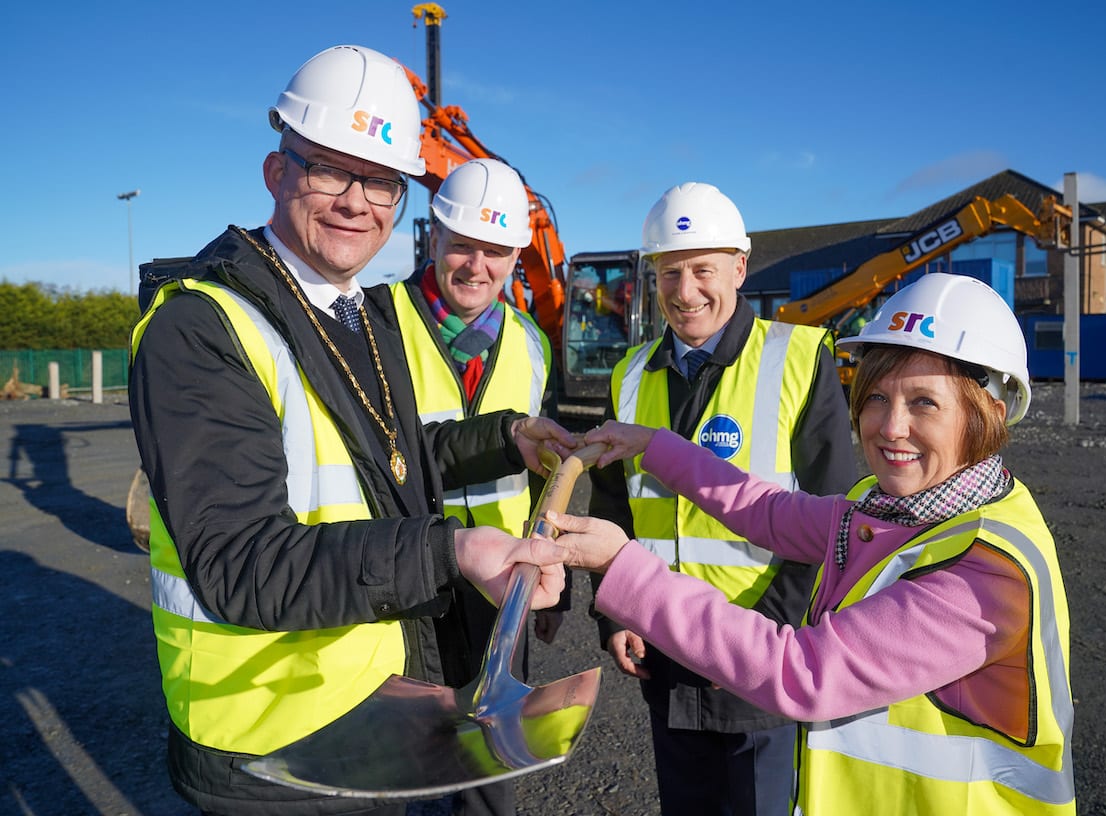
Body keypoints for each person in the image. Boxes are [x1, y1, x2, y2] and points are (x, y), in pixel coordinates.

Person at [128, 45, 573, 816]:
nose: (355, 201)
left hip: (370, 704)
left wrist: (506, 437)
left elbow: (392, 462)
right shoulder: (201, 326)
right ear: (276, 172)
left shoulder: (356, 316)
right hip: (270, 740)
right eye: (329, 169)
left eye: (379, 182)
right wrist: (453, 549)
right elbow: (241, 560)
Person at [549, 272, 1076, 815]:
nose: (891, 427)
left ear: (987, 412)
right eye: (875, 396)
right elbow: (769, 512)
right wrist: (654, 444)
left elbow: (799, 673)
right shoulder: (900, 509)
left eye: (924, 402)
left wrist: (622, 565)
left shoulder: (983, 572)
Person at [585, 182, 857, 815]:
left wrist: (760, 635)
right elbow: (612, 509)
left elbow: (832, 515)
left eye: (703, 270)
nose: (686, 293)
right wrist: (614, 615)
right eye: (670, 273)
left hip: (760, 655)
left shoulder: (798, 359)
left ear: (740, 266)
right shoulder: (628, 377)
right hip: (663, 648)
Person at [390, 158, 563, 816]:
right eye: (462, 244)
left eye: (494, 250)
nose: (476, 265)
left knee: (493, 769)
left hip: (503, 593)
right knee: (412, 766)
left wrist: (553, 590)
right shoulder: (376, 326)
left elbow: (543, 480)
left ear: (517, 254)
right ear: (432, 238)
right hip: (406, 585)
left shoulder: (531, 342)